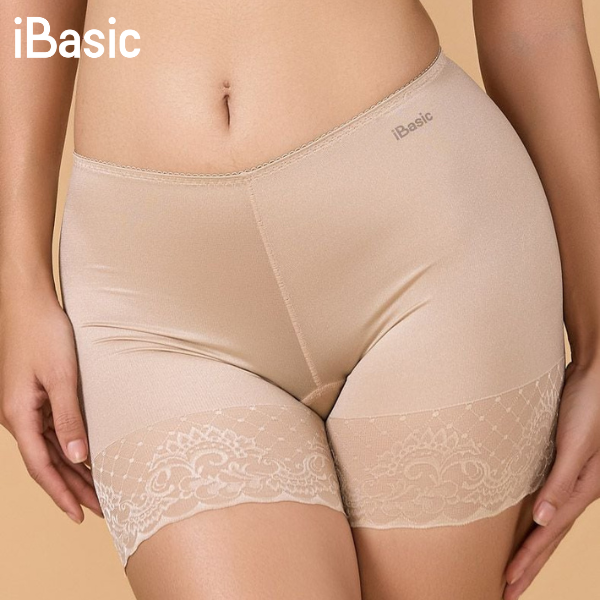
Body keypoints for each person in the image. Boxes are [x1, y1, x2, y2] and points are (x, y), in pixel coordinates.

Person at [2, 0, 600, 598]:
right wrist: (17, 283)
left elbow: (537, 29)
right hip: (149, 299)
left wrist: (599, 340)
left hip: (427, 235)